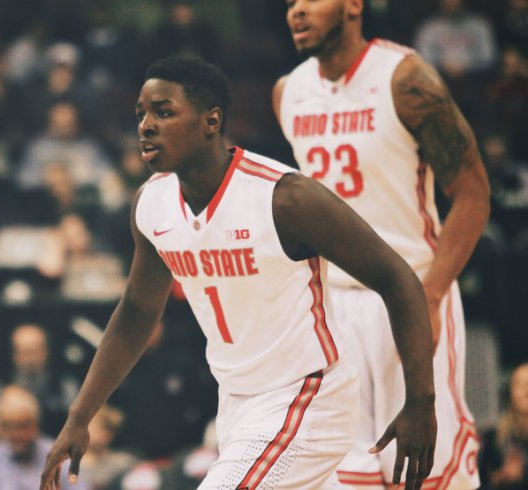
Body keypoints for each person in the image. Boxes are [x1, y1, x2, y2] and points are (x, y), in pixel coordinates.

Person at [41, 56, 437, 490]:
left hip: (306, 395)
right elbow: (136, 311)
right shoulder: (151, 204)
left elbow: (397, 278)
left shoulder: (285, 197)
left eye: (163, 112)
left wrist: (420, 400)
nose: (146, 125)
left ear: (211, 121)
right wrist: (80, 416)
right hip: (235, 403)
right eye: (141, 114)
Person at [275, 1, 491, 487]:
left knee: (430, 473)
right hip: (333, 308)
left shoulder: (406, 77)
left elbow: (474, 196)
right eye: (289, 3)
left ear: (353, 4)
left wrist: (431, 295)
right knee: (346, 474)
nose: (296, 11)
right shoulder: (287, 92)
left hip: (411, 291)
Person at [0, 386, 86, 490]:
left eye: (23, 426)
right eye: (10, 427)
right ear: (2, 428)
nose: (17, 434)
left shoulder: (58, 458)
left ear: (36, 425)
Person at [478, 362, 528, 489]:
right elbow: (480, 482)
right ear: (510, 391)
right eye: (521, 384)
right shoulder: (494, 437)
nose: (526, 389)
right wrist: (501, 477)